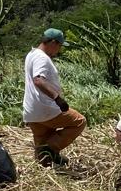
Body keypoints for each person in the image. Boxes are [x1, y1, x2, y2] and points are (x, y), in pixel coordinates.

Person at [23, 28, 85, 167]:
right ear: (53, 43)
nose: (59, 50)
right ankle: (48, 150)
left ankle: (47, 156)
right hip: (46, 108)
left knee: (43, 147)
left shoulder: (31, 54)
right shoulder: (42, 57)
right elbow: (38, 79)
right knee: (79, 122)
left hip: (32, 111)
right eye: (59, 46)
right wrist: (57, 98)